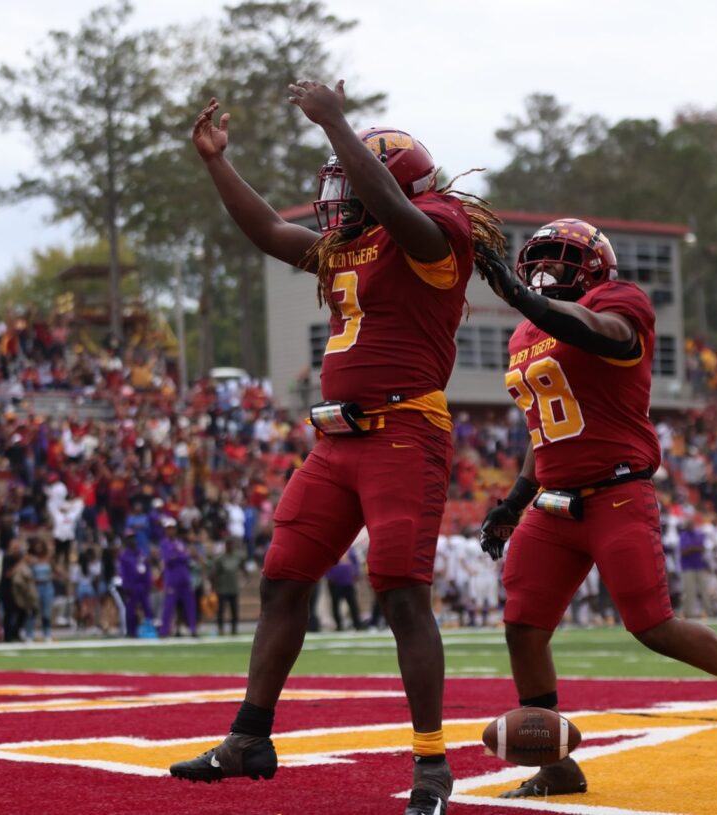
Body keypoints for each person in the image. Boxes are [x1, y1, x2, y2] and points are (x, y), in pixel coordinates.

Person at [169, 80, 505, 815]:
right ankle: (250, 736)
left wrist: (336, 124)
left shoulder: (435, 231)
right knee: (285, 576)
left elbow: (395, 209)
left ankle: (430, 764)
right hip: (335, 440)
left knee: (400, 591)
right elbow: (269, 232)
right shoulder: (348, 249)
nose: (337, 198)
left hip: (404, 431)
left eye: (349, 183)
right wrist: (217, 164)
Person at [475, 220, 717, 799]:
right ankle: (557, 767)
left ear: (597, 265)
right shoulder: (525, 332)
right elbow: (545, 424)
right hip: (552, 505)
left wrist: (523, 296)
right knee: (523, 627)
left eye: (564, 260)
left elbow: (604, 335)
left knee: (652, 627)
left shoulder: (621, 302)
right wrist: (513, 502)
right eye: (541, 260)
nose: (549, 272)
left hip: (616, 493)